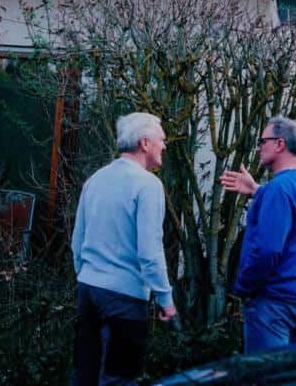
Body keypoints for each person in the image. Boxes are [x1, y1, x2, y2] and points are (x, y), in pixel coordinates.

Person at [71, 112, 177, 386]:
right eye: (161, 140)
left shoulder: (94, 180)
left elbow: (77, 242)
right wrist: (165, 299)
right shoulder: (148, 185)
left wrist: (88, 277)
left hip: (88, 291)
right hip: (125, 299)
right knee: (119, 380)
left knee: (84, 376)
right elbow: (149, 252)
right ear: (145, 143)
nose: (164, 145)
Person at [220, 115, 296, 352]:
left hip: (273, 304)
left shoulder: (279, 189)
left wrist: (243, 287)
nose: (259, 147)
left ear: (280, 144)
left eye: (263, 141)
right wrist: (258, 191)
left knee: (266, 377)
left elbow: (267, 250)